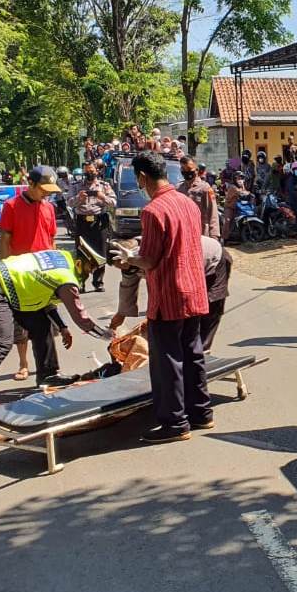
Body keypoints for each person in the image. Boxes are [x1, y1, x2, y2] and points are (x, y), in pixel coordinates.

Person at [114, 154, 210, 445]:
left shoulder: (154, 211)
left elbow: (151, 259)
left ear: (142, 177)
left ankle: (175, 422)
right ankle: (201, 413)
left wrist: (129, 258)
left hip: (169, 294)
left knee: (167, 361)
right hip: (194, 289)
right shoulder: (187, 203)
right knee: (193, 353)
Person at [0, 248, 113, 413]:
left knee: (41, 325)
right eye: (89, 270)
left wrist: (62, 327)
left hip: (9, 287)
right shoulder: (66, 278)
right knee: (2, 342)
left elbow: (43, 298)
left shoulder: (62, 256)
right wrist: (106, 336)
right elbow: (81, 319)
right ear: (79, 263)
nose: (89, 275)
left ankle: (48, 375)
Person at [113, 234, 230, 352]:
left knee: (209, 308)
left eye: (127, 265)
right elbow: (128, 285)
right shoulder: (129, 263)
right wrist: (121, 314)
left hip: (213, 260)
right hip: (186, 268)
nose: (127, 270)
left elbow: (176, 289)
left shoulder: (154, 251)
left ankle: (203, 354)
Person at [0, 165, 61, 381]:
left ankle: (48, 369)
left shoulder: (49, 208)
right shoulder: (12, 206)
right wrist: (6, 273)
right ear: (31, 184)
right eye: (43, 188)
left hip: (44, 272)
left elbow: (51, 240)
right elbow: (5, 240)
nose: (46, 193)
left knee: (47, 324)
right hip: (19, 274)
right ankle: (23, 363)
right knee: (22, 325)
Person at [72, 164, 116, 292]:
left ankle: (98, 282)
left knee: (100, 252)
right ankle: (81, 282)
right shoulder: (76, 186)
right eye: (87, 172)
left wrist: (102, 197)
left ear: (97, 171)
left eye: (92, 171)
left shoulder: (104, 186)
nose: (89, 174)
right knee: (81, 253)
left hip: (99, 222)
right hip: (82, 222)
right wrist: (78, 198)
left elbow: (114, 203)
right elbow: (68, 202)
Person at [177, 156, 220, 238]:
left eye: (189, 169)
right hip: (183, 234)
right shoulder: (178, 188)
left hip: (201, 234)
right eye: (183, 169)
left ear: (196, 170)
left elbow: (213, 213)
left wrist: (214, 236)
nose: (186, 171)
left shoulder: (205, 188)